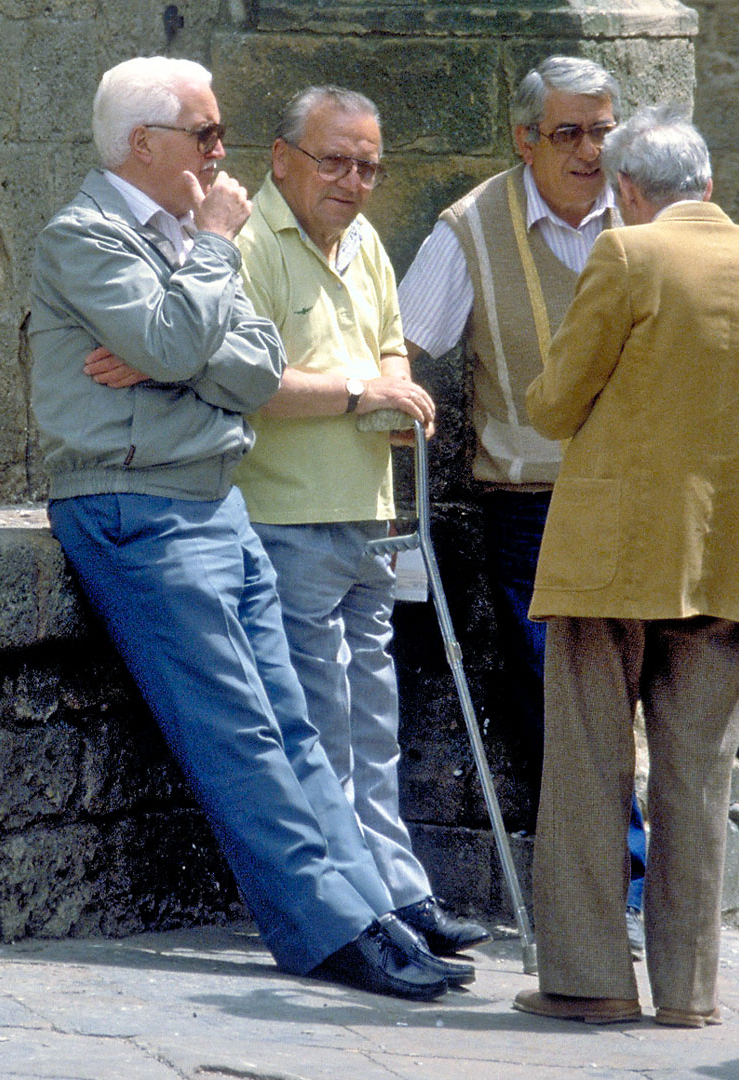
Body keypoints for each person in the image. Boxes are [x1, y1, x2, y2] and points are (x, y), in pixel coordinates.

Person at [29, 55, 468, 1003]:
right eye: (208, 134)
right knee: (245, 736)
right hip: (138, 505)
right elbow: (187, 346)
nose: (222, 154)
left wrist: (171, 351)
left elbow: (255, 362)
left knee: (296, 729)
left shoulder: (184, 238)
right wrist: (208, 271)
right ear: (142, 145)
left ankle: (371, 909)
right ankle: (331, 932)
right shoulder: (87, 236)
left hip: (216, 500)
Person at [509, 106, 739, 1028]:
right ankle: (688, 993)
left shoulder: (627, 256)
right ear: (709, 183)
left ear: (627, 192)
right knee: (698, 778)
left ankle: (591, 979)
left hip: (614, 560)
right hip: (728, 554)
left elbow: (556, 404)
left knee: (591, 769)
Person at [230, 85, 490, 958]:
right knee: (318, 719)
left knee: (374, 719)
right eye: (333, 160)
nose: (352, 180)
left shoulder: (365, 239)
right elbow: (247, 382)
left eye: (368, 166)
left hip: (372, 510)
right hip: (287, 513)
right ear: (281, 157)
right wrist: (358, 392)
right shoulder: (248, 243)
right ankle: (350, 900)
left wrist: (395, 389)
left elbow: (389, 341)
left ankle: (399, 891)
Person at [397, 55, 649, 954]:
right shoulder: (471, 228)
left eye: (603, 129)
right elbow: (402, 342)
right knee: (560, 696)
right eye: (570, 133)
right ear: (526, 139)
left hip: (646, 500)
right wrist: (388, 401)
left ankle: (632, 882)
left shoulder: (648, 209)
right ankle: (613, 886)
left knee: (653, 691)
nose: (590, 151)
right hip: (534, 506)